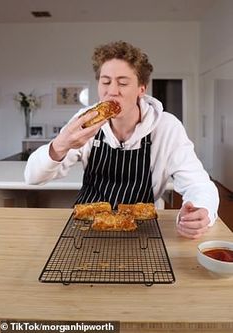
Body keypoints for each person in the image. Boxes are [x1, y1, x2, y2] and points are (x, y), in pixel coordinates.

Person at [24, 40, 219, 239]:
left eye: (123, 82)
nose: (112, 91)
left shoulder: (167, 127)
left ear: (141, 88)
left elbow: (199, 184)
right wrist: (60, 145)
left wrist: (203, 210)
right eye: (106, 81)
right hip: (86, 226)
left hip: (142, 230)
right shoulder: (84, 120)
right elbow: (33, 177)